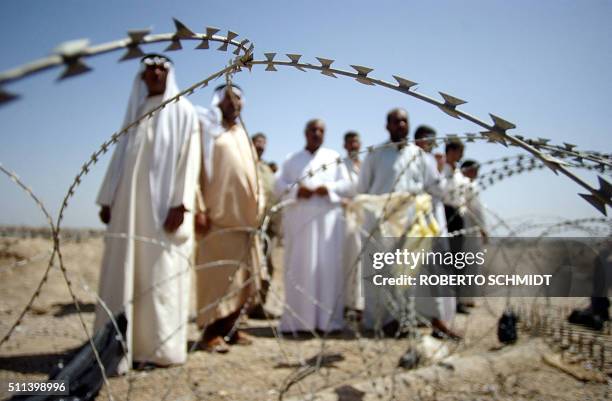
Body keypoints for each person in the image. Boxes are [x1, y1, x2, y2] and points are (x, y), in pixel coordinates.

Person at [95, 54, 201, 372]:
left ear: (169, 73)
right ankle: (117, 347)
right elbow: (119, 159)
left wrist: (180, 203)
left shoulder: (183, 111)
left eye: (161, 68)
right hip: (128, 210)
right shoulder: (135, 113)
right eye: (149, 69)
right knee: (126, 273)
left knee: (159, 276)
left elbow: (189, 159)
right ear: (141, 78)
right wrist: (108, 198)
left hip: (161, 213)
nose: (154, 73)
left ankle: (158, 349)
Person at [357, 109, 460, 339]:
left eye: (405, 121)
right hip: (382, 224)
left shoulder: (421, 157)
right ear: (388, 126)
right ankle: (383, 322)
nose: (401, 125)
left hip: (412, 223)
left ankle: (420, 320)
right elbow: (363, 189)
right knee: (382, 272)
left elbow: (436, 187)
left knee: (416, 272)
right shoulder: (376, 155)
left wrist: (447, 172)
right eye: (396, 121)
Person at [194, 84, 263, 353]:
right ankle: (210, 333)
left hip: (245, 222)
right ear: (218, 102)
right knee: (217, 281)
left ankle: (230, 329)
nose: (233, 103)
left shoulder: (243, 135)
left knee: (242, 283)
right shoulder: (208, 133)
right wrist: (199, 208)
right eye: (228, 98)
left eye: (238, 98)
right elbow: (196, 171)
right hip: (216, 219)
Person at [276, 119, 352, 333]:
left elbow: (347, 185)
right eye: (313, 130)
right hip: (300, 225)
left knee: (327, 269)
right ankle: (299, 322)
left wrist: (326, 188)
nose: (316, 134)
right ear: (305, 133)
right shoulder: (292, 160)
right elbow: (277, 185)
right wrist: (297, 191)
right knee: (301, 268)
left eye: (321, 130)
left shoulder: (333, 158)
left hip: (328, 225)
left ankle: (327, 322)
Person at [249, 132, 278, 319]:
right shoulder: (245, 163)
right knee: (248, 266)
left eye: (263, 143)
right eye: (257, 142)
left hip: (267, 226)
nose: (260, 146)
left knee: (267, 266)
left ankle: (260, 304)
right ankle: (243, 307)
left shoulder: (267, 170)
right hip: (250, 224)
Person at [441, 139, 472, 314]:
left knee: (458, 261)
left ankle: (457, 300)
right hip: (447, 215)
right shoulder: (442, 172)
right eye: (459, 151)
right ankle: (446, 302)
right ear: (451, 152)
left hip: (459, 216)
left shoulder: (459, 174)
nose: (461, 155)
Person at [342, 131, 364, 317]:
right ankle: (346, 302)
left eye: (356, 142)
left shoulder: (364, 167)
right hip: (346, 218)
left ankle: (359, 303)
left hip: (363, 217)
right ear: (345, 145)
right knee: (348, 259)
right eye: (350, 143)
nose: (353, 146)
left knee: (362, 261)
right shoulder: (341, 166)